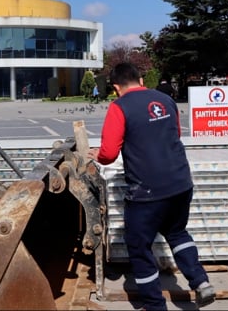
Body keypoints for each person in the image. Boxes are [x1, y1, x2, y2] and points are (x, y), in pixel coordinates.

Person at [87, 62, 215, 310]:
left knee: (139, 246)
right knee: (177, 233)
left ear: (115, 87)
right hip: (180, 183)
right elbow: (175, 134)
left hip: (147, 192)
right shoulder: (165, 100)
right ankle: (200, 282)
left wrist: (97, 155)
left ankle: (154, 305)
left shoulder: (119, 107)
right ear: (141, 80)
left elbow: (110, 153)